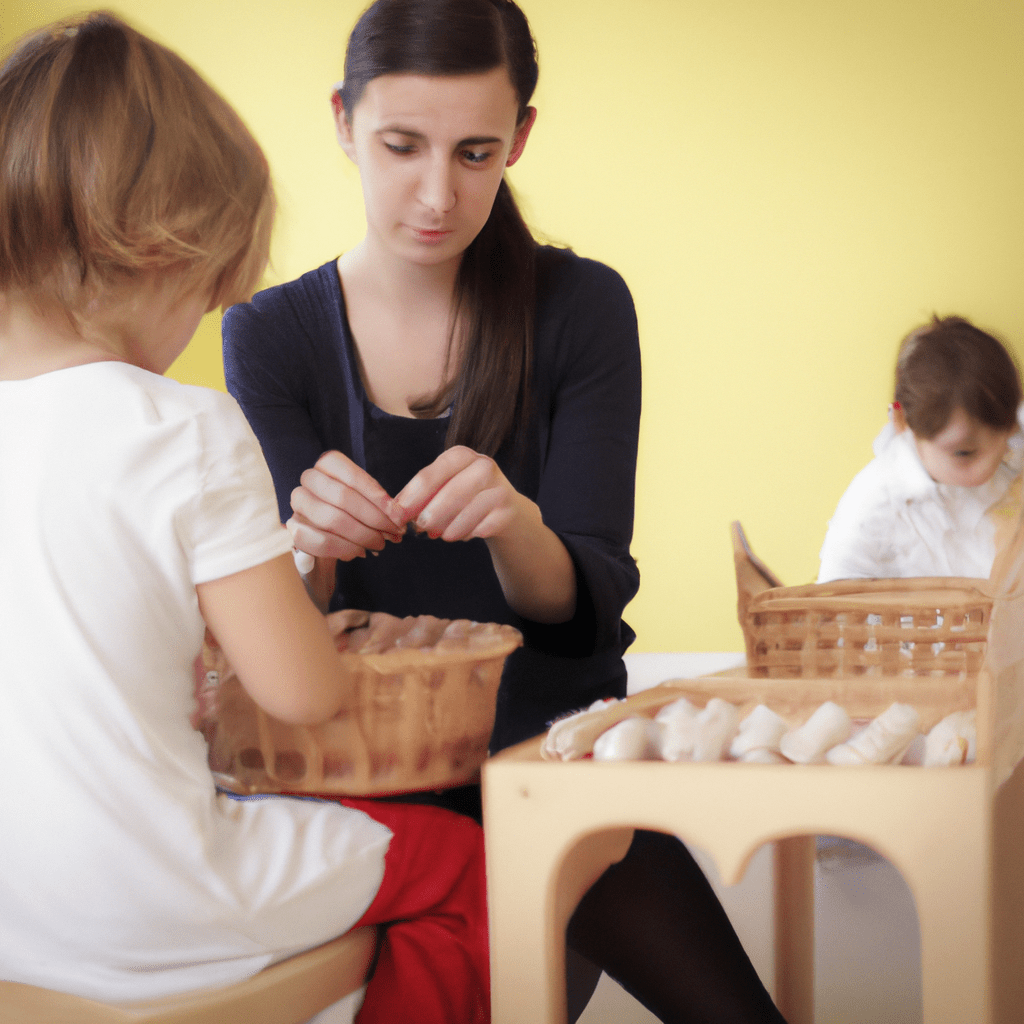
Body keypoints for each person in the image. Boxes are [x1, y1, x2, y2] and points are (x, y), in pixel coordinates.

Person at [223, 1, 789, 1021]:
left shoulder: (583, 308)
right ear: (343, 122)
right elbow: (285, 645)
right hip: (366, 789)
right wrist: (304, 552)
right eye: (402, 145)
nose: (437, 194)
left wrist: (514, 523)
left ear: (520, 138)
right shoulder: (267, 334)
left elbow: (581, 621)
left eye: (476, 152)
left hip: (552, 765)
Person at [0, 14, 489, 1024]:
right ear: (156, 252)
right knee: (471, 866)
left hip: (14, 924)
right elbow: (301, 691)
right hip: (148, 908)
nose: (198, 330)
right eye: (206, 296)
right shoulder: (180, 426)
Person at [818, 314, 1024, 583]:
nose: (990, 463)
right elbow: (832, 598)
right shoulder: (875, 503)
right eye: (964, 453)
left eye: (1005, 435)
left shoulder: (1010, 455)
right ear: (904, 423)